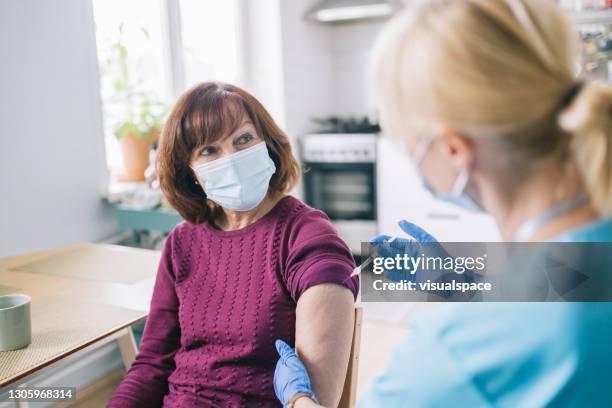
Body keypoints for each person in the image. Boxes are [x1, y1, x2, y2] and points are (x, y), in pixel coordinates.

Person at [273, 0, 612, 406]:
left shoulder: (459, 349)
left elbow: (525, 328)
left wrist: (297, 399)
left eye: (410, 142)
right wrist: (465, 290)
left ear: (454, 149)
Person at [107, 82, 358, 407]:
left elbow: (317, 398)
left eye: (243, 139)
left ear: (266, 144)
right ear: (192, 172)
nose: (233, 157)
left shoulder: (306, 236)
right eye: (209, 150)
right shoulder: (181, 243)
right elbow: (152, 365)